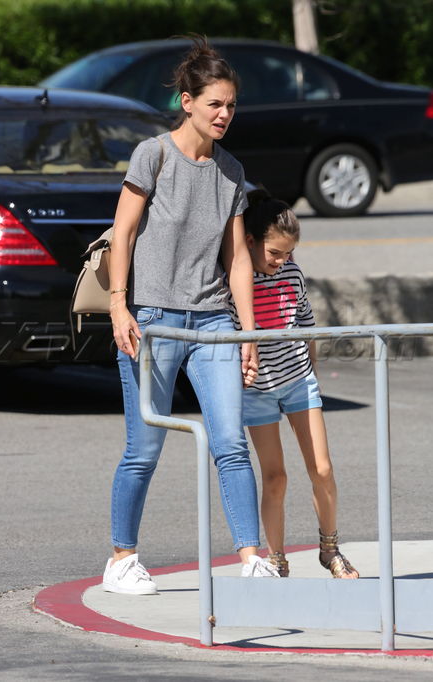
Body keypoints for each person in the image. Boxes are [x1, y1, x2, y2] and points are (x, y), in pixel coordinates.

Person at [102, 37, 280, 595]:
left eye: (231, 105)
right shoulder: (152, 155)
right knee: (144, 449)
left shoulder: (231, 171)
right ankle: (121, 559)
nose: (224, 114)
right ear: (187, 102)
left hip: (213, 323)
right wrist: (119, 306)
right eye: (214, 104)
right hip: (151, 319)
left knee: (231, 442)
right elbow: (123, 233)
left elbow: (238, 262)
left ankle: (251, 557)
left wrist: (248, 334)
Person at [229, 189, 359, 579]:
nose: (282, 261)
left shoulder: (292, 273)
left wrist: (311, 376)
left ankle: (330, 549)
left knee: (322, 468)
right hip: (257, 392)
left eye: (289, 253)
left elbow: (306, 325)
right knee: (275, 477)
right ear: (250, 241)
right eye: (275, 253)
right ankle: (277, 560)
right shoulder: (235, 281)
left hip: (298, 381)